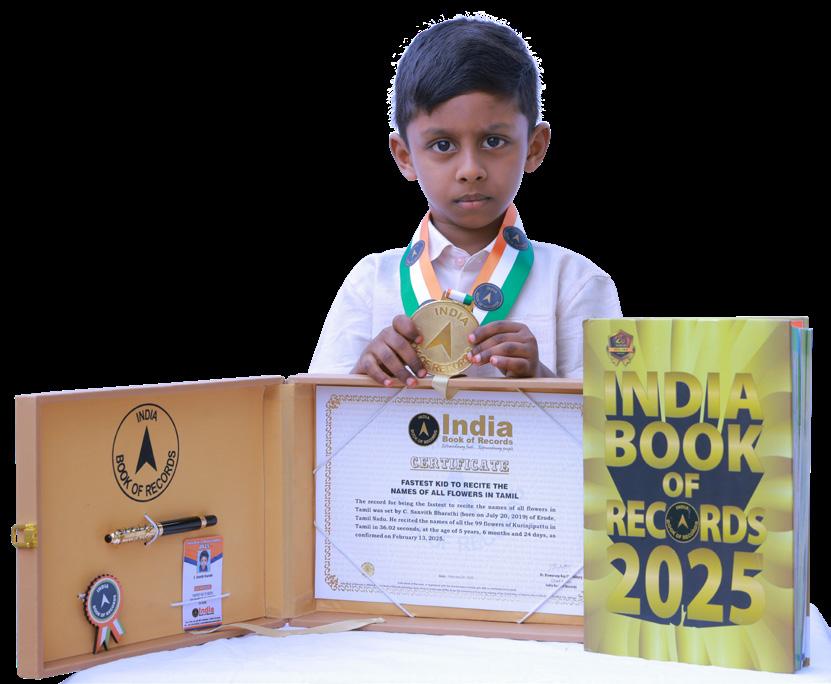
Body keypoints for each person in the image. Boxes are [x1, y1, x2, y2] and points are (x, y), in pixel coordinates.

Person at [308, 11, 622, 383]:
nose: (470, 169)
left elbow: (614, 415)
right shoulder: (369, 284)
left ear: (535, 147)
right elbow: (316, 409)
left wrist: (540, 378)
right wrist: (363, 374)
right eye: (443, 145)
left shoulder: (575, 283)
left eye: (494, 141)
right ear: (405, 156)